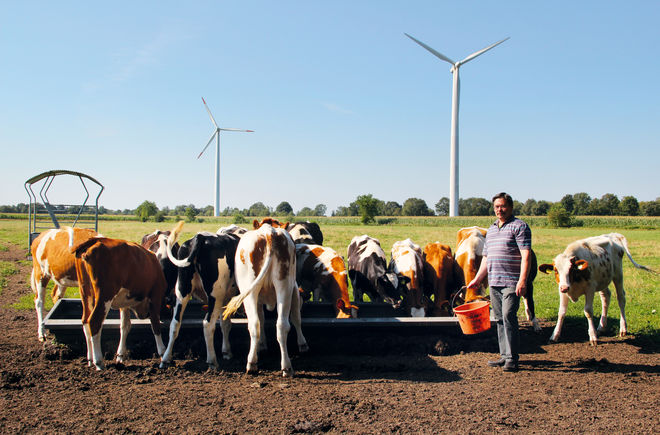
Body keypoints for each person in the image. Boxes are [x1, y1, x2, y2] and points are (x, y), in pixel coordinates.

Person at [467, 192, 532, 372]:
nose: (499, 210)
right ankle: (504, 356)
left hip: (512, 281)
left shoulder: (520, 227)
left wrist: (522, 280)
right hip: (494, 281)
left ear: (510, 207)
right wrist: (477, 279)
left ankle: (512, 358)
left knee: (508, 316)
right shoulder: (492, 230)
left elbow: (526, 256)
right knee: (499, 319)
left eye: (503, 206)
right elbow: (486, 258)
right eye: (496, 206)